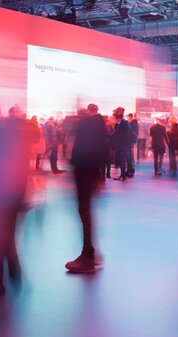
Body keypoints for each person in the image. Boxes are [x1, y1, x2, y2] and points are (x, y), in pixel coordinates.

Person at [65, 104, 109, 273]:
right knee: (86, 211)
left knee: (85, 210)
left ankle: (88, 256)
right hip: (88, 171)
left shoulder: (90, 126)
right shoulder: (97, 126)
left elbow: (84, 151)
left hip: (84, 171)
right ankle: (90, 253)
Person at [112, 107, 133, 180]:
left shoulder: (124, 123)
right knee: (123, 160)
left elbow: (122, 134)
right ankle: (123, 175)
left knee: (122, 160)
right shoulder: (124, 123)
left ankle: (123, 175)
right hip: (124, 145)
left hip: (123, 145)